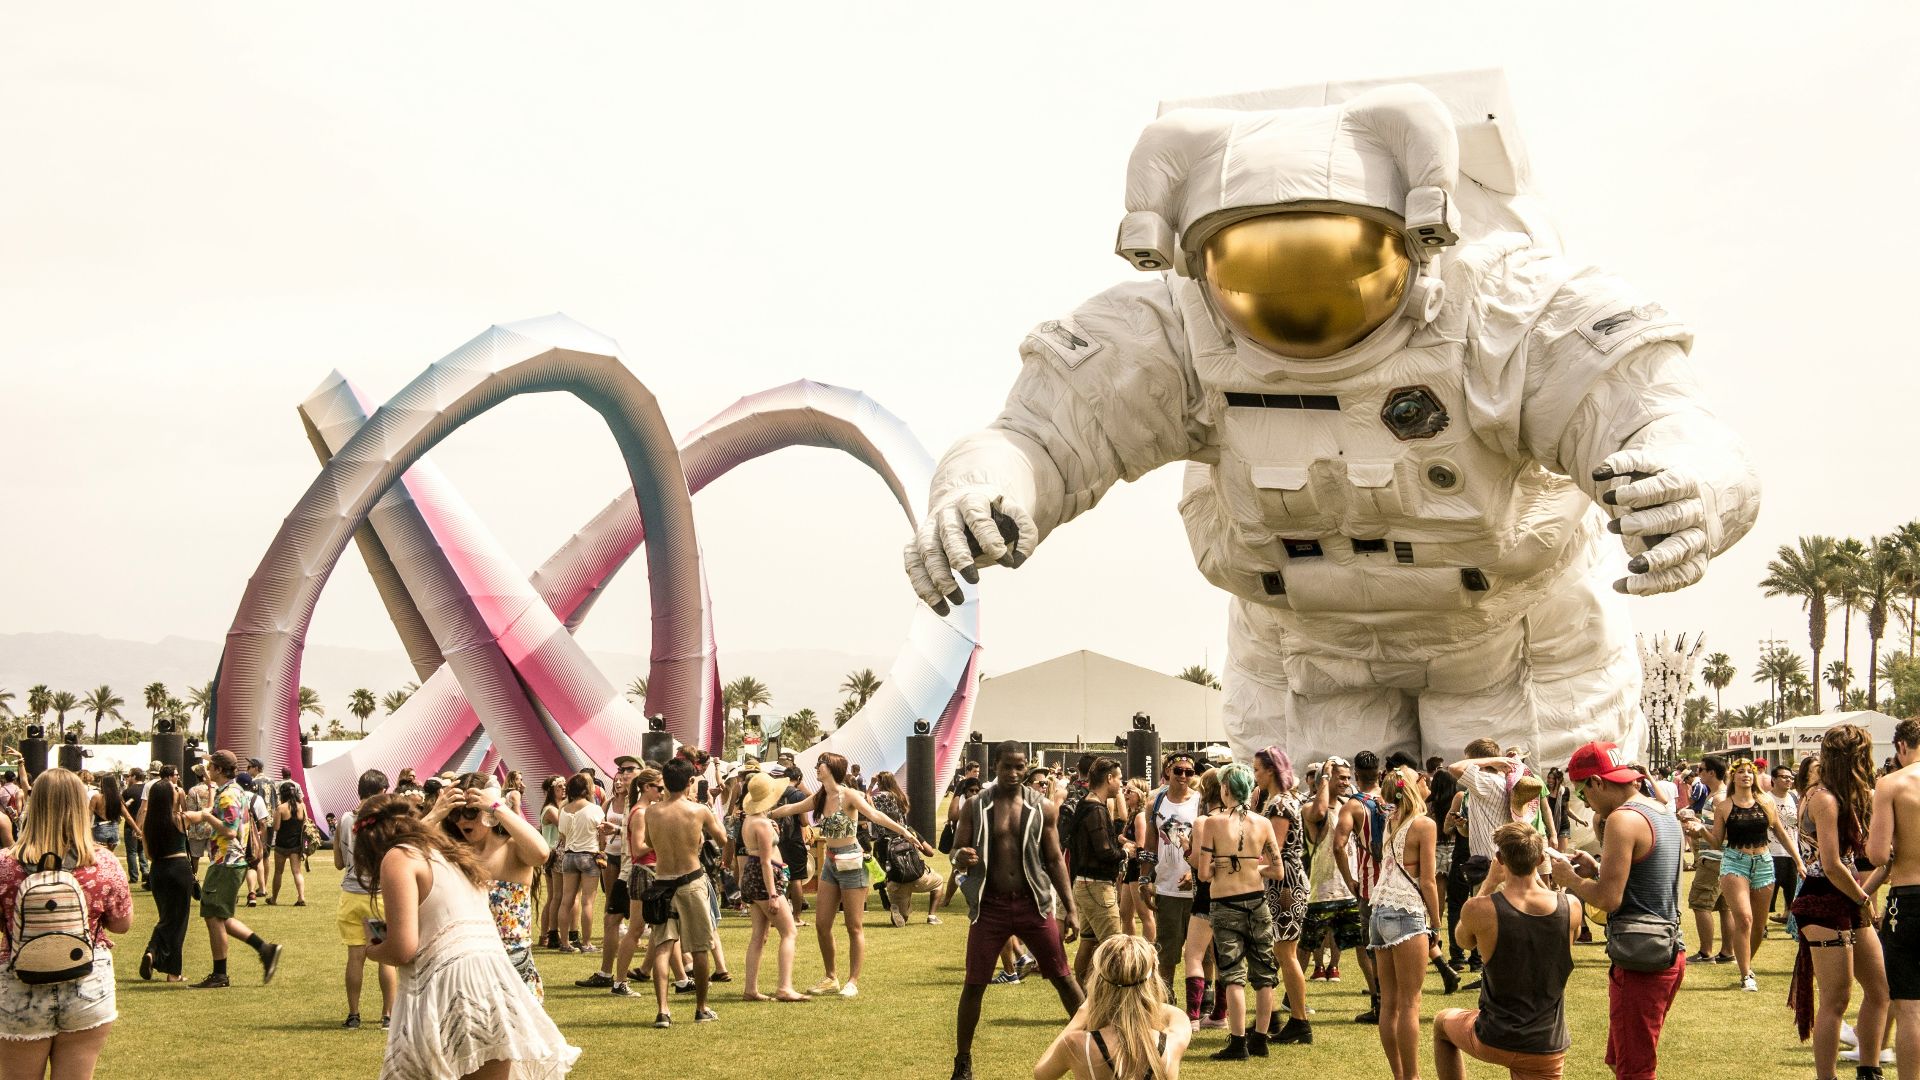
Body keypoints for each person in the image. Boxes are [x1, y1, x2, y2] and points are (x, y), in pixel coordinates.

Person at [351, 794, 579, 1078]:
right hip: (496, 982)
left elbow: (402, 949)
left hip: (455, 986)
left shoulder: (399, 857)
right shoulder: (450, 853)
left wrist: (371, 949)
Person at [1550, 742, 1684, 1080]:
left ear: (1596, 782)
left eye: (1583, 793)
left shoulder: (1622, 821)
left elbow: (1608, 899)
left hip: (1642, 958)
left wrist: (1570, 880)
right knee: (1621, 1059)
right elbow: (1644, 881)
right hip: (1666, 948)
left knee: (1635, 1069)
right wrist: (1596, 869)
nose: (1585, 801)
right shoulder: (1661, 811)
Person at [950, 740, 1083, 1080]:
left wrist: (1071, 909)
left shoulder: (1042, 807)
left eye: (1019, 766)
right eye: (1007, 765)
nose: (1013, 772)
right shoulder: (976, 806)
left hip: (1032, 904)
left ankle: (1096, 1045)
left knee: (1064, 979)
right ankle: (962, 1061)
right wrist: (961, 857)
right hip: (990, 906)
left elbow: (1054, 860)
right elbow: (955, 852)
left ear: (1027, 767)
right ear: (996, 765)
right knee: (974, 984)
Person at [0, 769, 132, 1080]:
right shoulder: (103, 862)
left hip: (20, 985)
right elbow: (122, 924)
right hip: (86, 982)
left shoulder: (6, 864)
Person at [768, 751, 933, 998]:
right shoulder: (821, 796)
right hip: (831, 864)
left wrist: (906, 832)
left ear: (832, 768)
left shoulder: (850, 795)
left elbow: (876, 816)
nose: (816, 769)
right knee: (822, 925)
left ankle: (852, 981)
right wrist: (764, 814)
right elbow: (792, 807)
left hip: (852, 863)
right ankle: (830, 977)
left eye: (820, 765)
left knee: (853, 926)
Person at [1435, 822, 1579, 1080]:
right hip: (1545, 1042)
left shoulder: (1480, 908)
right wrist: (1537, 878)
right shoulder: (1571, 906)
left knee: (1442, 1023)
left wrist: (1489, 882)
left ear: (1499, 859)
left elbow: (1463, 941)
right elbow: (1564, 932)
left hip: (1494, 1035)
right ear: (1540, 859)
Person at [1790, 723, 1890, 1079]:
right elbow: (1831, 865)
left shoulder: (1837, 795)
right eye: (1863, 756)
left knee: (1880, 989)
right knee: (1836, 998)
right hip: (1823, 899)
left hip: (1845, 897)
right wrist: (1864, 898)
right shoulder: (1824, 798)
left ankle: (1869, 1068)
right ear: (1853, 758)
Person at [429, 772, 552, 1000]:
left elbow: (542, 853)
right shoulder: (452, 852)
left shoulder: (513, 847)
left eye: (471, 811)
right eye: (456, 813)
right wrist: (435, 813)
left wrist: (497, 806)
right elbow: (403, 851)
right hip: (464, 966)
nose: (463, 820)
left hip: (511, 964)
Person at [1195, 762, 1282, 1060]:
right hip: (1258, 903)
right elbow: (1278, 870)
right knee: (1263, 973)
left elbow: (1203, 874)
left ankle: (1237, 1042)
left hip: (1226, 904)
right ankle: (1260, 1039)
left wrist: (1224, 864)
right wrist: (1252, 864)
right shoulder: (1264, 823)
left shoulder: (1213, 823)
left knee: (1232, 974)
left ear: (1226, 789)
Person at [181, 750, 282, 988]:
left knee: (212, 916)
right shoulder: (232, 791)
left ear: (217, 769)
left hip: (226, 861)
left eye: (210, 766)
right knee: (219, 915)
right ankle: (264, 949)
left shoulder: (229, 795)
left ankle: (220, 974)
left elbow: (229, 829)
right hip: (228, 861)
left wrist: (205, 817)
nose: (207, 769)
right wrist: (199, 815)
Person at [1033, 935, 1192, 1080]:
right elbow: (1169, 1011)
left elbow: (1041, 1074)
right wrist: (1146, 981)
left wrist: (1083, 1012)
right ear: (1150, 979)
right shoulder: (1172, 1041)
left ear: (1098, 982)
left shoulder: (1076, 1044)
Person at [640, 758, 725, 1028]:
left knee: (663, 948)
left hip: (662, 883)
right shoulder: (698, 811)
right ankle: (701, 1007)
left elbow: (651, 843)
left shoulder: (651, 812)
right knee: (701, 948)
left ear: (664, 781)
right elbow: (722, 838)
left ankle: (663, 1011)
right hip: (692, 882)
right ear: (690, 783)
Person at [1367, 765, 1440, 1080]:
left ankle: (1400, 1075)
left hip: (1379, 910)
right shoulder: (1424, 824)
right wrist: (1436, 921)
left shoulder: (1390, 819)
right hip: (1406, 910)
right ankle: (1412, 1077)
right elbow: (1428, 881)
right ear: (1413, 788)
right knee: (1411, 1003)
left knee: (1389, 1003)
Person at [1709, 757, 1800, 992]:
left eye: (1749, 772)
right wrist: (1700, 830)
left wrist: (1798, 861)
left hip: (1763, 861)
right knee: (1745, 918)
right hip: (1734, 862)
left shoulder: (1765, 802)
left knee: (1759, 927)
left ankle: (1747, 964)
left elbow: (1780, 833)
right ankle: (1745, 975)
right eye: (1740, 772)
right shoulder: (1724, 806)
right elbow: (1717, 841)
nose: (1746, 775)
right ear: (1733, 776)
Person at [1868, 717, 1920, 1079]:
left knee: (1910, 1009)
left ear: (1901, 747)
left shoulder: (1891, 784)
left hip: (1910, 895)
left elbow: (1877, 854)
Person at [1252, 746, 1310, 1046]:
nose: (1255, 776)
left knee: (1285, 953)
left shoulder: (1279, 806)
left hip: (1284, 885)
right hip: (1287, 881)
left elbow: (1271, 849)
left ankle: (1299, 1019)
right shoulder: (1282, 801)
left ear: (1271, 770)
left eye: (1258, 771)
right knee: (1281, 953)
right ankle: (1278, 1014)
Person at [738, 770, 809, 1003]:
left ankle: (751, 988)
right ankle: (785, 987)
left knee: (759, 935)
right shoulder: (763, 824)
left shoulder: (751, 820)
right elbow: (767, 862)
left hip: (753, 875)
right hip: (765, 878)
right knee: (789, 931)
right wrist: (773, 894)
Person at [334, 769, 396, 1029]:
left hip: (350, 895)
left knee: (355, 957)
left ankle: (353, 1014)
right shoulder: (384, 821)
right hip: (377, 897)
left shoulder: (345, 820)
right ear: (381, 792)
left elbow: (339, 862)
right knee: (384, 957)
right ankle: (387, 1016)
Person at [1139, 751, 1200, 996]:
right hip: (1167, 887)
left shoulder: (1200, 801)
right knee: (1167, 953)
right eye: (1178, 771)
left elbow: (1208, 843)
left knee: (1203, 953)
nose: (1183, 776)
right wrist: (1144, 879)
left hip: (1198, 888)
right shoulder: (1155, 803)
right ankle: (1166, 999)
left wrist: (1195, 873)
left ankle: (1202, 1005)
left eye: (1189, 772)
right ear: (1167, 772)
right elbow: (1150, 845)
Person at [1332, 750, 1387, 1022]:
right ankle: (1396, 1001)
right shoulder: (1394, 798)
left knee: (1372, 947)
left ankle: (1379, 1005)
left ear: (1356, 774)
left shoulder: (1352, 806)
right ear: (1379, 772)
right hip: (1398, 883)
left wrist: (1349, 880)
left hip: (1368, 886)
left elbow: (1338, 846)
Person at [1065, 758, 1128, 983]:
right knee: (1116, 949)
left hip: (1084, 885)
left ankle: (1083, 998)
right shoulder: (1096, 809)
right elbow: (1104, 851)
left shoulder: (1086, 803)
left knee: (1089, 942)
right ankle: (1113, 1001)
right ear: (1109, 778)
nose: (1121, 784)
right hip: (1097, 887)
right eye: (1119, 778)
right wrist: (1125, 851)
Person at [1304, 758, 1363, 985]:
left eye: (1349, 778)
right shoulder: (1310, 806)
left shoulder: (1347, 805)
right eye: (1342, 777)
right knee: (1310, 942)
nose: (1346, 782)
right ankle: (1317, 968)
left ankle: (1336, 967)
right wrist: (1325, 776)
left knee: (1357, 942)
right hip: (1320, 884)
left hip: (1348, 882)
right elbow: (1319, 814)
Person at [134, 766, 192, 983]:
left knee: (167, 918)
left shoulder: (149, 823)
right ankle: (173, 972)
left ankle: (153, 952)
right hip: (178, 868)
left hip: (158, 871)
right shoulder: (179, 819)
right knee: (178, 922)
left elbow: (148, 855)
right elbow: (203, 812)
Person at [872, 770, 946, 927]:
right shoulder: (908, 828)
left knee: (902, 917)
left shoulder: (880, 842)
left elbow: (865, 805)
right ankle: (932, 916)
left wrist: (871, 785)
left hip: (895, 881)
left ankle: (897, 904)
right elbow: (930, 852)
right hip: (918, 877)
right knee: (939, 881)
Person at [1679, 754, 1731, 964]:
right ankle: (1727, 952)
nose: (1697, 774)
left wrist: (1697, 827)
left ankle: (1705, 952)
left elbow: (1722, 834)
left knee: (1700, 904)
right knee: (1725, 907)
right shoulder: (1719, 796)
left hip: (1714, 858)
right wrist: (1697, 823)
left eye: (1701, 770)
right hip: (1723, 859)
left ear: (1711, 772)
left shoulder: (1719, 798)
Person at [553, 772, 603, 954]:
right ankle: (587, 943)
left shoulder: (563, 810)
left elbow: (563, 835)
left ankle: (565, 943)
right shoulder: (594, 809)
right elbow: (601, 833)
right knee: (587, 902)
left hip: (569, 856)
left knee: (566, 900)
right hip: (589, 855)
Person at [1118, 780, 1155, 943]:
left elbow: (1141, 846)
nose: (1125, 794)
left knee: (1144, 913)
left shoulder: (1140, 816)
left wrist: (1123, 840)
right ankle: (1131, 948)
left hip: (1138, 868)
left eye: (1129, 791)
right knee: (1125, 913)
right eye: (1124, 790)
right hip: (1130, 868)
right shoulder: (1132, 814)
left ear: (1140, 794)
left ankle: (1149, 950)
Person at [1768, 763, 1802, 936]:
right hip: (1771, 851)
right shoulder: (1766, 799)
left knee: (1792, 891)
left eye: (1790, 777)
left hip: (1792, 852)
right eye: (1784, 777)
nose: (1788, 780)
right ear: (1773, 779)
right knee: (1768, 893)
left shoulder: (1795, 798)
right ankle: (1761, 926)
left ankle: (1789, 919)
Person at [267, 779, 309, 906]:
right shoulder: (301, 806)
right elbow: (306, 824)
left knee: (278, 872)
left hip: (281, 845)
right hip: (296, 845)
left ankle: (274, 899)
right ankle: (301, 897)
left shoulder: (280, 808)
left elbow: (276, 827)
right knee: (297, 872)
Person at [536, 775, 566, 949]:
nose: (563, 789)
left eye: (564, 786)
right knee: (554, 896)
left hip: (554, 853)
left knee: (554, 896)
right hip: (552, 854)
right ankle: (546, 934)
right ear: (551, 790)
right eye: (559, 787)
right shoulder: (550, 809)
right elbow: (564, 824)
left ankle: (545, 934)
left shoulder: (559, 807)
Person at [88, 774, 124, 856]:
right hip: (114, 829)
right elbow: (127, 816)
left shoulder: (96, 797)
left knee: (100, 856)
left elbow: (88, 816)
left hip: (100, 829)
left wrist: (85, 830)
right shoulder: (118, 798)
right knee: (110, 855)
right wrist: (137, 830)